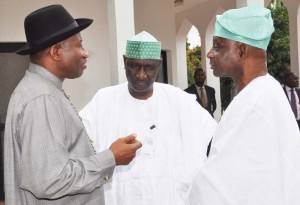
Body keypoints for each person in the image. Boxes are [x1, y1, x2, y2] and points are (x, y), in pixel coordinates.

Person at [4, 5, 142, 205]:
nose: (85, 53)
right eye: (79, 45)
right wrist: (110, 157)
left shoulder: (44, 90)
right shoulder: (41, 97)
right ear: (55, 52)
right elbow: (50, 181)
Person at [79, 31, 217, 205]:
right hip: (120, 197)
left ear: (158, 65)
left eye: (149, 68)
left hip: (167, 197)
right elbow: (77, 141)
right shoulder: (104, 99)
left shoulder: (178, 100)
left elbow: (214, 137)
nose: (141, 75)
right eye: (134, 66)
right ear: (124, 62)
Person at [189, 5, 300, 205]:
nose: (209, 54)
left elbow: (217, 186)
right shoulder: (262, 92)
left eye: (218, 46)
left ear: (241, 51)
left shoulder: (255, 103)